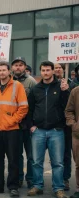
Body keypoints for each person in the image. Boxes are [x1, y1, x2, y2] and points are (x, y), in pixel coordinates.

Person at [0, 61, 28, 197]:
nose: (2, 72)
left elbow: (23, 107)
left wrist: (11, 121)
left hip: (12, 129)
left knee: (13, 159)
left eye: (4, 70)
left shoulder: (17, 86)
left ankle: (13, 186)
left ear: (9, 71)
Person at [27, 61, 69, 198]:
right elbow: (30, 109)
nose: (45, 72)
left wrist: (65, 91)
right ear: (41, 72)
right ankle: (37, 186)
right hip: (38, 130)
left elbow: (66, 107)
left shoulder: (61, 87)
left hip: (56, 131)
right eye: (43, 70)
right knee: (36, 161)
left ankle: (58, 188)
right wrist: (31, 125)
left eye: (48, 70)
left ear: (53, 71)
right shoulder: (36, 89)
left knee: (57, 162)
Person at [11, 57, 37, 189]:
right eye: (15, 65)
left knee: (31, 155)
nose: (18, 68)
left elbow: (35, 103)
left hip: (28, 124)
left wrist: (33, 122)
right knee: (17, 154)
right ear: (12, 68)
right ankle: (19, 177)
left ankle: (31, 179)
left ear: (25, 67)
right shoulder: (9, 81)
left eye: (21, 65)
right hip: (14, 124)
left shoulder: (31, 81)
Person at [54, 63, 73, 191]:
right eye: (55, 67)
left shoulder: (71, 84)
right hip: (52, 124)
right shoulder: (49, 84)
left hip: (66, 125)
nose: (58, 69)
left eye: (60, 67)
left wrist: (67, 90)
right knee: (54, 155)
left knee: (65, 154)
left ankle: (65, 178)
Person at [65, 85, 79, 198]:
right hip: (78, 133)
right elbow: (69, 111)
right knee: (78, 163)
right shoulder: (75, 91)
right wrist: (74, 125)